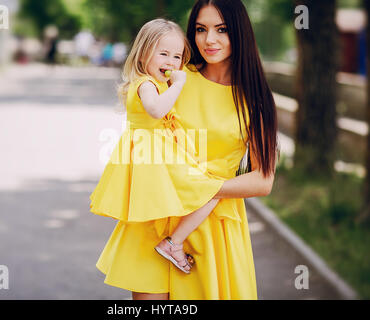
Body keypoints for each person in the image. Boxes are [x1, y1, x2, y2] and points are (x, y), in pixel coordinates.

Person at [94, 0, 279, 300]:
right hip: (154, 221)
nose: (210, 39)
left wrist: (202, 189)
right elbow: (143, 123)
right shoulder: (175, 76)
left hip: (213, 226)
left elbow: (262, 180)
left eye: (222, 29)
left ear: (240, 32)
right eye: (200, 29)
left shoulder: (255, 100)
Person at [90, 18, 227, 275]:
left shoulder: (155, 83)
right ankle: (173, 244)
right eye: (163, 53)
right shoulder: (145, 84)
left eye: (177, 56)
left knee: (206, 191)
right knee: (212, 190)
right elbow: (156, 110)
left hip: (157, 153)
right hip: (152, 156)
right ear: (143, 54)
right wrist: (178, 84)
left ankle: (172, 242)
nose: (171, 62)